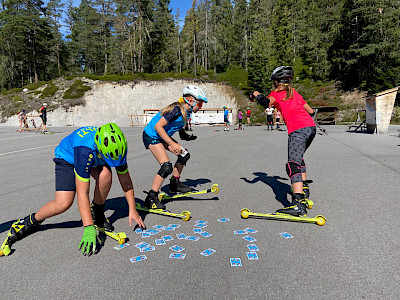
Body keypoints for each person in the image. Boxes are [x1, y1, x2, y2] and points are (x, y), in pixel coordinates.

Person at [1, 123, 145, 256]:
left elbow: (125, 180)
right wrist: (88, 227)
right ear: (99, 148)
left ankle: (97, 212)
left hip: (93, 157)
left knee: (106, 174)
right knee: (63, 203)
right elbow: (83, 193)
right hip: (68, 158)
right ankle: (28, 222)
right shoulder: (85, 151)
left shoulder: (118, 148)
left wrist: (132, 208)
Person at [250, 66, 316, 216]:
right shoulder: (295, 93)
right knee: (299, 158)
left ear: (275, 82)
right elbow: (311, 111)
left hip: (298, 129)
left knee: (292, 164)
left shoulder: (277, 94)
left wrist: (255, 94)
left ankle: (298, 203)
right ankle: (304, 190)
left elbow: (266, 102)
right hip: (311, 128)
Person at [142, 85, 207, 210]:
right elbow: (158, 127)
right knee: (166, 166)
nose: (201, 107)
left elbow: (178, 125)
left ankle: (174, 183)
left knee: (184, 155)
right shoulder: (176, 109)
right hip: (152, 135)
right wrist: (171, 143)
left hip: (162, 136)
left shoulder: (186, 112)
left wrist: (185, 136)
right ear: (191, 100)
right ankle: (151, 197)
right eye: (200, 104)